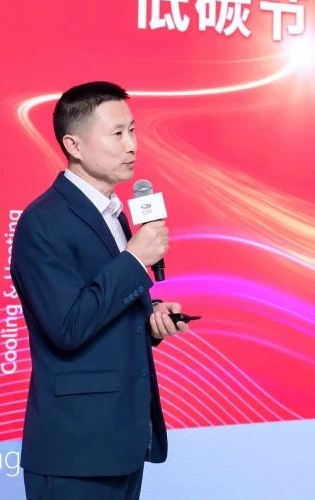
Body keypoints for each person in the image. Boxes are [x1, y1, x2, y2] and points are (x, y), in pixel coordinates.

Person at [10, 81, 185, 499]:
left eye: (133, 130)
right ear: (74, 144)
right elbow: (67, 325)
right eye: (117, 133)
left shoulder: (112, 214)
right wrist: (134, 260)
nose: (131, 146)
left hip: (122, 441)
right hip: (76, 450)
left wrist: (149, 316)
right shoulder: (44, 221)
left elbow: (101, 308)